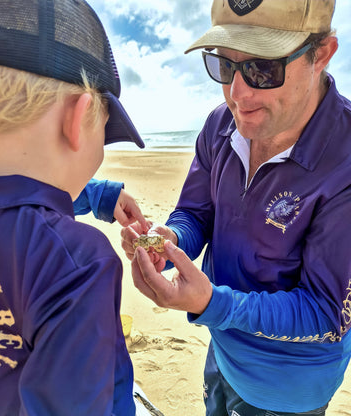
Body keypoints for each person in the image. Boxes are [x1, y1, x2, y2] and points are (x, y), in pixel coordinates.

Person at [122, 0, 351, 415]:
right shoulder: (219, 126)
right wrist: (170, 241)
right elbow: (196, 214)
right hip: (223, 348)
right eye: (224, 66)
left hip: (287, 385)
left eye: (263, 69)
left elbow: (325, 314)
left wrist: (212, 304)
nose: (237, 94)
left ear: (322, 54)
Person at [0, 0, 151, 414]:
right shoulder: (80, 263)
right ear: (79, 116)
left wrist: (100, 196)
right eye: (105, 131)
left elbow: (8, 199)